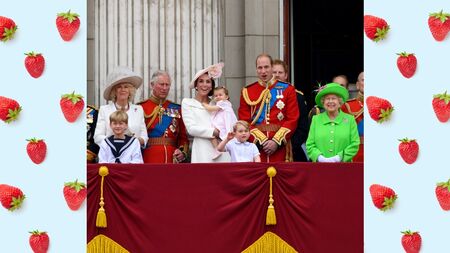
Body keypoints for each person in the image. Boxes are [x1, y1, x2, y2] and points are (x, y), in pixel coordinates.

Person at [238, 53, 299, 162]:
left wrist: (276, 141)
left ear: (272, 68)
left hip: (280, 147)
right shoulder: (247, 91)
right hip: (256, 148)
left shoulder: (288, 89)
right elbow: (244, 121)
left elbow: (292, 119)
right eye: (259, 68)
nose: (263, 71)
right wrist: (262, 141)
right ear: (256, 70)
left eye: (266, 67)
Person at [181, 62, 231, 163]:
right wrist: (214, 132)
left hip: (221, 146)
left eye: (208, 81)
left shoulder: (218, 103)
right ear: (196, 85)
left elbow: (229, 121)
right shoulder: (187, 103)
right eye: (201, 81)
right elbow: (191, 129)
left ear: (212, 86)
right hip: (201, 148)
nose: (204, 85)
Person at [138, 70, 189, 163]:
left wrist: (182, 152)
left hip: (172, 158)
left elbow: (183, 137)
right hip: (148, 157)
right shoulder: (140, 108)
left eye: (167, 85)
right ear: (152, 85)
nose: (164, 88)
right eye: (161, 84)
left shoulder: (177, 108)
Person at [94, 67, 148, 148]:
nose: (123, 89)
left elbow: (144, 137)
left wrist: (132, 142)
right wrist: (116, 143)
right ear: (114, 91)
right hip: (110, 154)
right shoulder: (104, 110)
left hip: (133, 154)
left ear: (130, 91)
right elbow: (97, 137)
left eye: (126, 87)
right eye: (119, 87)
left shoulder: (139, 109)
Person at [306, 83, 360, 162]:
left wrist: (338, 158)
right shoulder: (316, 120)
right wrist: (320, 158)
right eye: (327, 99)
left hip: (344, 168)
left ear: (339, 102)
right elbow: (310, 144)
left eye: (334, 98)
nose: (330, 101)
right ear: (323, 102)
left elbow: (355, 144)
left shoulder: (350, 120)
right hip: (320, 168)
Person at [272, 59, 309, 162]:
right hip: (267, 150)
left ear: (286, 75)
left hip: (291, 150)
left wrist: (286, 145)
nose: (277, 75)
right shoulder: (263, 96)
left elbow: (303, 128)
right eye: (274, 72)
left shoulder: (298, 96)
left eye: (280, 72)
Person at [202, 86, 238, 159]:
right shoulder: (220, 104)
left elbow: (211, 108)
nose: (218, 97)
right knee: (212, 136)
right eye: (216, 95)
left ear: (226, 96)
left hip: (223, 125)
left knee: (213, 135)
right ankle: (217, 149)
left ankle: (217, 149)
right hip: (221, 124)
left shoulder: (224, 103)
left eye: (220, 95)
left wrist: (204, 104)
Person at [341, 71, 364, 162]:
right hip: (355, 153)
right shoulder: (347, 106)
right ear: (358, 85)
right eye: (364, 80)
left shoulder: (385, 107)